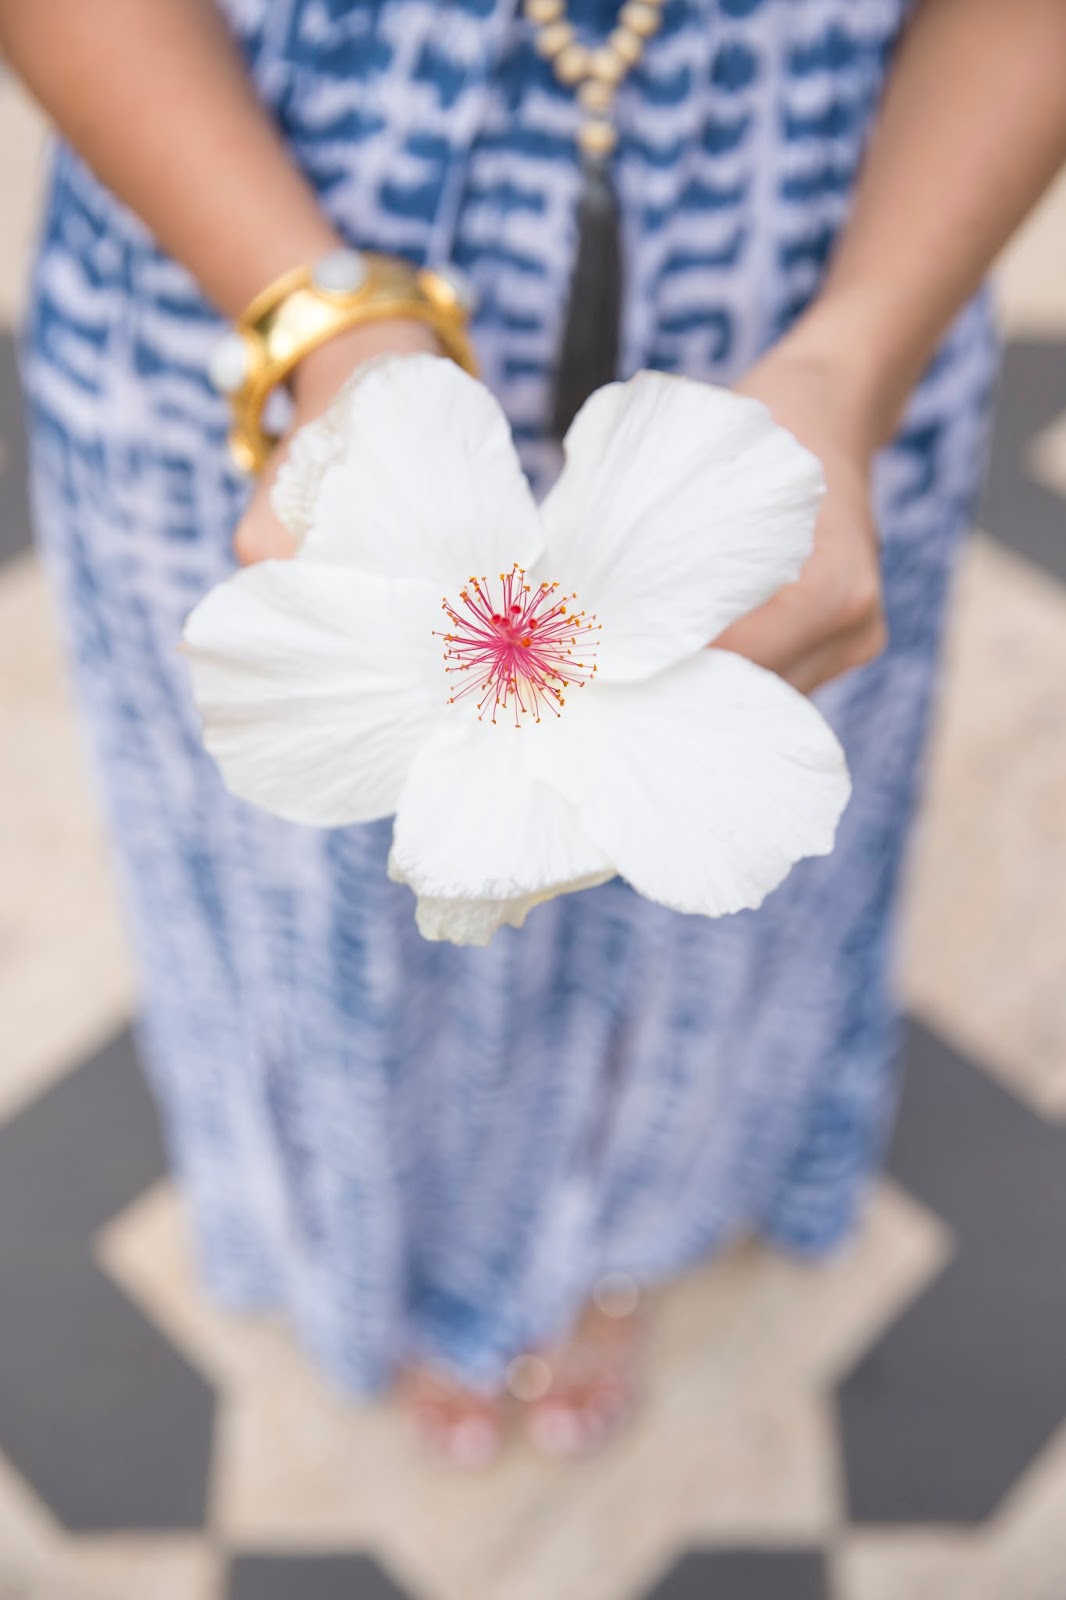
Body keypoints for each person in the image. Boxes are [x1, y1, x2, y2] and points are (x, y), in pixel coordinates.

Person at [5, 0, 1066, 1467]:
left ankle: (624, 1220)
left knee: (710, 899)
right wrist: (324, 326)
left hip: (824, 242)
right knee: (309, 906)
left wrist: (848, 366)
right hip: (230, 195)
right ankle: (375, 1247)